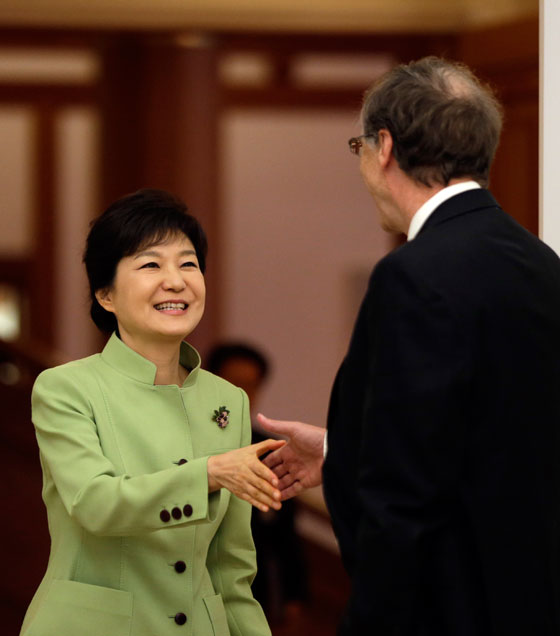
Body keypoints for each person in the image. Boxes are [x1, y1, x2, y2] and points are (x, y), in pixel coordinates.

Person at [259, 56, 560, 635]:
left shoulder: (414, 275)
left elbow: (406, 490)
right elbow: (491, 439)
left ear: (386, 148)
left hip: (447, 611)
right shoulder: (541, 264)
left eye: (359, 147)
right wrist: (340, 451)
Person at [20, 189, 283, 636]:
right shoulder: (65, 388)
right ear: (106, 294)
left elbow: (231, 568)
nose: (176, 281)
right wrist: (208, 473)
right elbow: (95, 504)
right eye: (150, 265)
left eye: (188, 264)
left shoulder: (228, 401)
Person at [207, 343, 309, 626]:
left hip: (251, 586)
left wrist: (294, 595)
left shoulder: (268, 450)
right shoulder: (183, 438)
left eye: (250, 385)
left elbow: (285, 530)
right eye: (232, 382)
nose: (241, 393)